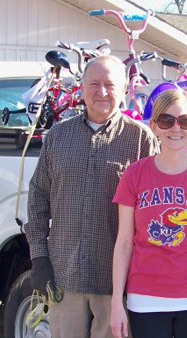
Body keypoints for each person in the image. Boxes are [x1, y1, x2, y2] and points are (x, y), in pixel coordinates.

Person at [25, 55, 159, 338]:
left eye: (110, 85)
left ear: (124, 90)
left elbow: (153, 213)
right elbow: (37, 198)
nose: (102, 92)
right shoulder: (58, 137)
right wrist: (39, 258)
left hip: (116, 287)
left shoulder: (141, 140)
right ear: (82, 89)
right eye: (94, 84)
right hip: (64, 281)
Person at [110, 88, 187, 338]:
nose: (176, 129)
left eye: (185, 121)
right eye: (167, 121)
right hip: (145, 299)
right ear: (154, 126)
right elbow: (123, 242)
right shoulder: (134, 175)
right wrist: (116, 303)